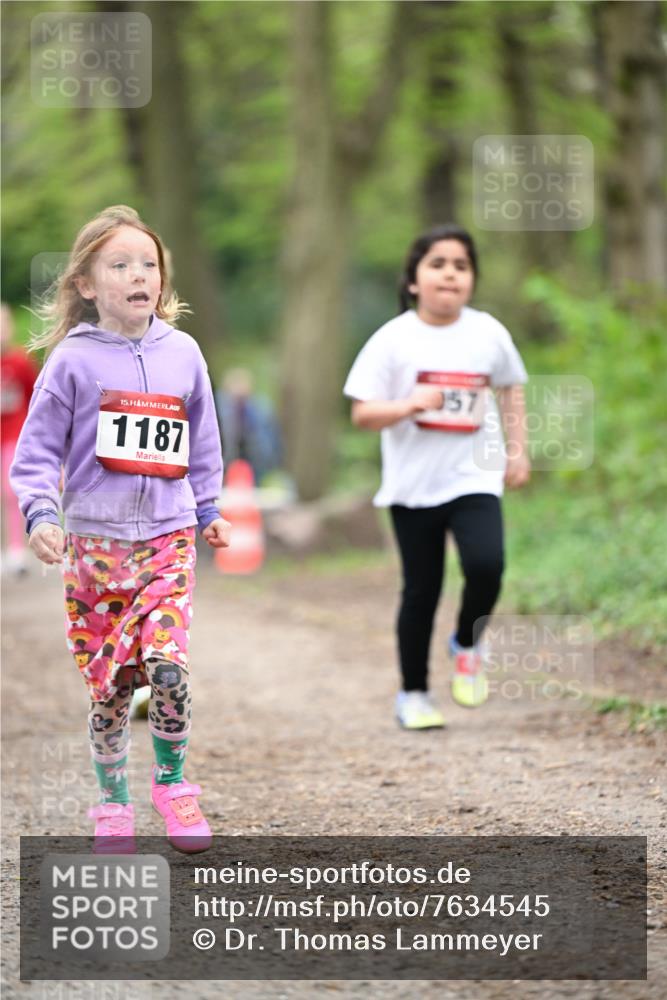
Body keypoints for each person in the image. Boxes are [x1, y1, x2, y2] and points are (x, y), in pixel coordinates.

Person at [10, 205, 231, 852]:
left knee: (167, 669)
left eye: (149, 264)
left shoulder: (184, 354)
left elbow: (204, 441)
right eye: (120, 265)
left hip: (167, 538)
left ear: (161, 279)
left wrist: (210, 509)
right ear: (86, 284)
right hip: (95, 549)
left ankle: (173, 785)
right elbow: (36, 454)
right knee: (110, 690)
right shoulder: (72, 362)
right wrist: (41, 514)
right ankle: (112, 805)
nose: (139, 275)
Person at [343, 224, 530, 730]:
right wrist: (408, 404)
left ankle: (467, 642)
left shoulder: (488, 332)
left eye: (461, 265)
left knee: (487, 565)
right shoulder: (393, 339)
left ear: (471, 280)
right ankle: (414, 694)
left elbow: (511, 388)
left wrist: (518, 451)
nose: (450, 273)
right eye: (438, 263)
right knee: (421, 590)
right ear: (413, 280)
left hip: (474, 476)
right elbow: (362, 413)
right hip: (413, 485)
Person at [1, 303, 38, 576]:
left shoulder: (20, 360)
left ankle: (16, 549)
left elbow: (33, 397)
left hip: (14, 434)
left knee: (12, 491)